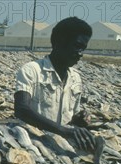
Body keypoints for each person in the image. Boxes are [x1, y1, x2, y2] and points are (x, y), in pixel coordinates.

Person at [14, 17, 95, 151]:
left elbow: (71, 117)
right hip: (36, 142)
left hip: (64, 142)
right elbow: (22, 109)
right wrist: (62, 130)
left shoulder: (75, 77)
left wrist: (80, 119)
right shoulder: (32, 70)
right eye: (77, 46)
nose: (80, 54)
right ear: (59, 42)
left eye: (83, 49)